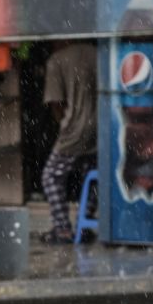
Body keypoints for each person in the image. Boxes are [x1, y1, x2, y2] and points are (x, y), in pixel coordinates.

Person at [40, 40, 98, 244]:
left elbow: (56, 103)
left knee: (51, 176)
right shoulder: (98, 53)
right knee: (93, 175)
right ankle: (85, 223)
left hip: (74, 129)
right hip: (101, 128)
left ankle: (62, 228)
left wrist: (63, 124)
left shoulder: (56, 60)